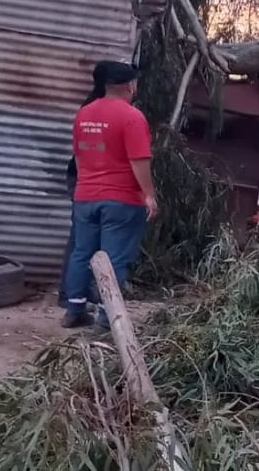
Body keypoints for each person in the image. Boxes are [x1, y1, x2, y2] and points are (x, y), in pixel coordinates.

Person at [62, 61, 158, 329]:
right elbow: (139, 160)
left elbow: (80, 156)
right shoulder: (132, 117)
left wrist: (87, 184)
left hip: (86, 196)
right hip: (121, 200)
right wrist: (149, 195)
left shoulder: (84, 114)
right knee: (115, 257)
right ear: (130, 85)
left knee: (82, 252)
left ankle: (75, 309)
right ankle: (106, 315)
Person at [57, 61, 112, 307]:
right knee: (81, 237)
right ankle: (69, 293)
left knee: (88, 236)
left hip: (90, 177)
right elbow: (88, 149)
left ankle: (79, 289)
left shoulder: (99, 106)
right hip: (86, 178)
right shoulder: (94, 109)